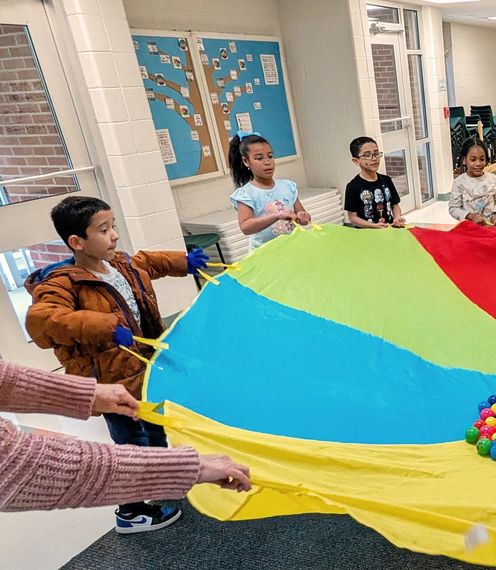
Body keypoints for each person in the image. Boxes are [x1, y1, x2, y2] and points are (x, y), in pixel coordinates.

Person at [24, 195, 210, 533]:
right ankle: (130, 511)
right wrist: (107, 327)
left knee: (154, 429)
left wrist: (183, 261)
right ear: (76, 242)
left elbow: (148, 263)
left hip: (143, 371)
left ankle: (160, 484)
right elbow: (43, 321)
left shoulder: (119, 264)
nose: (114, 236)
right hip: (110, 383)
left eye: (114, 227)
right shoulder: (61, 283)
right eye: (104, 230)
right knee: (131, 445)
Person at [0, 360, 251, 515]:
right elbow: (10, 467)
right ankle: (133, 511)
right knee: (130, 435)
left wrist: (88, 394)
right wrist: (189, 467)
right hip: (109, 370)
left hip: (128, 376)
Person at [228, 131, 311, 250]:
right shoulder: (246, 194)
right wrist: (277, 216)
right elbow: (246, 227)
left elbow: (303, 215)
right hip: (265, 254)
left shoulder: (288, 186)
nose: (267, 162)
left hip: (293, 248)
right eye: (259, 158)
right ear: (246, 161)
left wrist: (304, 216)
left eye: (270, 156)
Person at [344, 136, 405, 228]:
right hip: (367, 234)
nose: (374, 158)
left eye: (376, 154)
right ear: (356, 161)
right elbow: (352, 217)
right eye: (367, 155)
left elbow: (394, 205)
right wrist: (373, 226)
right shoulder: (353, 186)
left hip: (389, 229)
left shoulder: (386, 180)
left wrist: (397, 217)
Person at [449, 138, 496, 227]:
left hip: (491, 229)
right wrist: (469, 216)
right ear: (464, 160)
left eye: (482, 159)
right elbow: (453, 208)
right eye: (473, 160)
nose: (478, 163)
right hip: (469, 231)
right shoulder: (459, 183)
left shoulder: (492, 179)